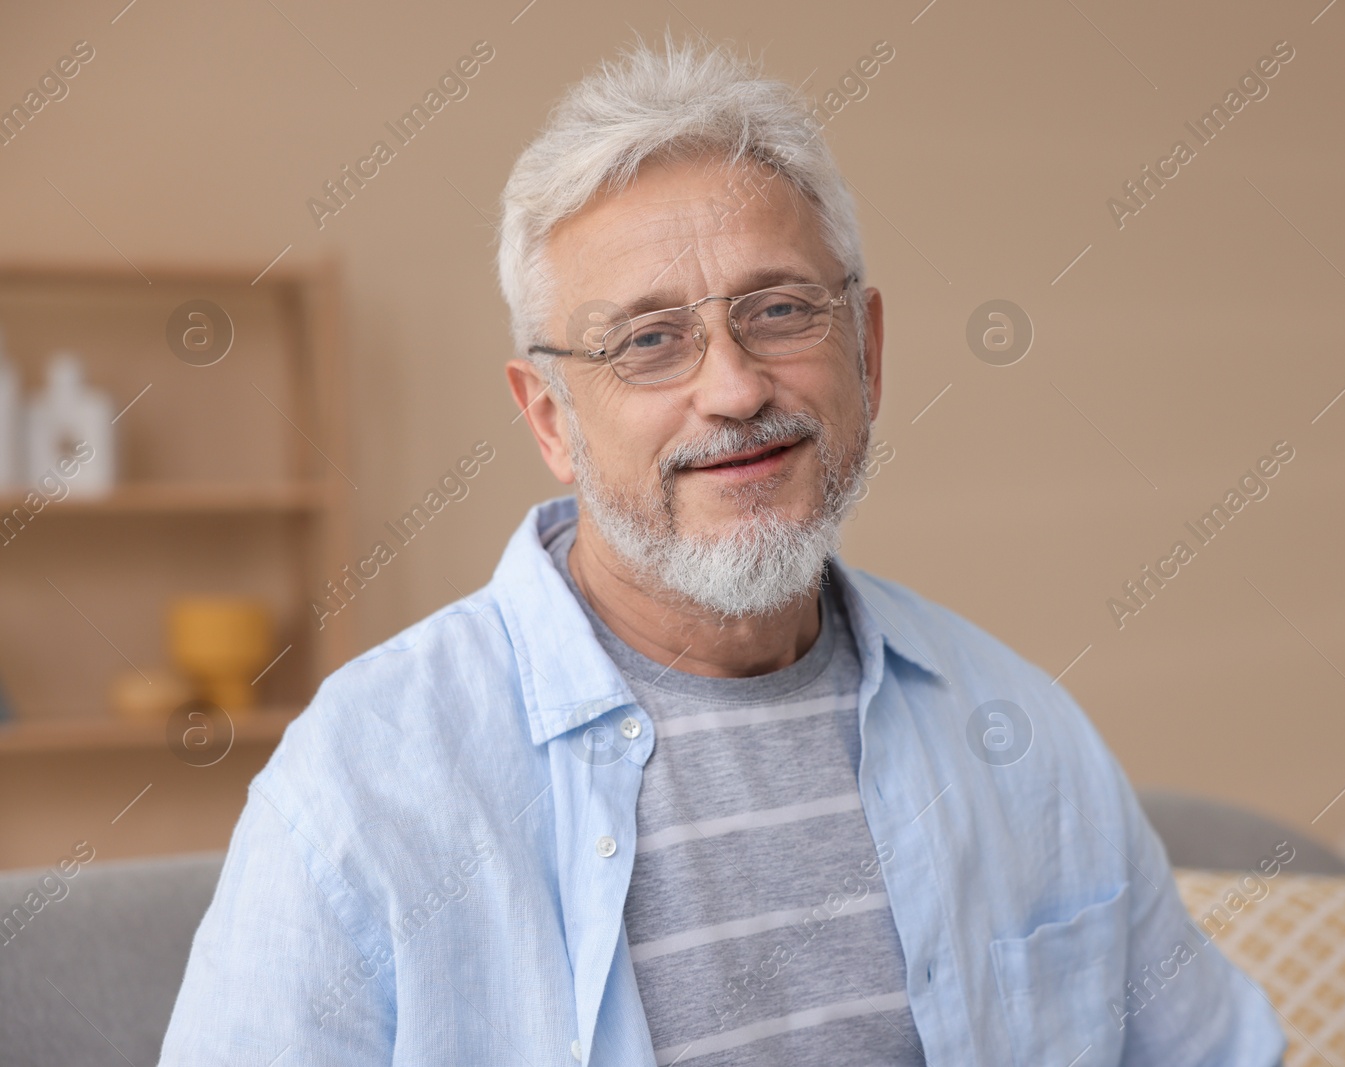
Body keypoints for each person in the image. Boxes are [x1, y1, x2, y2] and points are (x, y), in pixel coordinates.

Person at [161, 35, 1285, 1067]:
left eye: (782, 311)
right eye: (649, 342)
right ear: (549, 417)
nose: (735, 386)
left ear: (869, 350)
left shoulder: (1021, 728)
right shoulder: (365, 777)